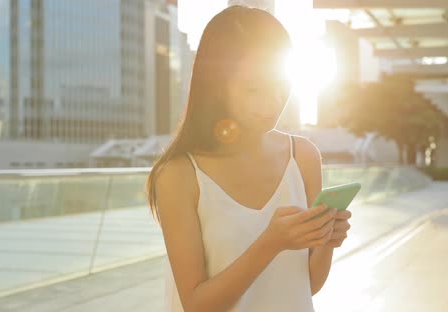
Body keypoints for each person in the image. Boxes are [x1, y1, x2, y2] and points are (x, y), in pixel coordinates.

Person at [146, 5, 352, 312]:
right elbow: (197, 305)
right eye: (254, 89)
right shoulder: (179, 174)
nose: (271, 103)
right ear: (217, 86)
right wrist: (270, 243)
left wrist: (325, 242)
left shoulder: (303, 157)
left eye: (282, 86)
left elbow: (306, 285)